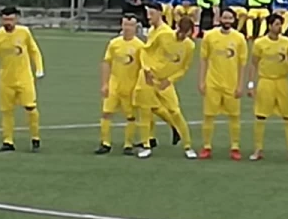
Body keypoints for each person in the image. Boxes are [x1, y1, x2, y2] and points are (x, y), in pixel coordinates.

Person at [0, 6, 44, 153]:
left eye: (10, 19)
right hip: (6, 80)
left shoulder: (24, 32)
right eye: (5, 19)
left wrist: (39, 68)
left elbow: (34, 50)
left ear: (16, 19)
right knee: (6, 111)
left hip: (24, 78)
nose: (7, 22)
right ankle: (7, 141)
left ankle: (35, 138)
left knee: (31, 108)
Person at [135, 8, 195, 159]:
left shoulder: (189, 46)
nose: (181, 36)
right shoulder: (163, 36)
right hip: (148, 78)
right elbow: (145, 51)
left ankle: (188, 146)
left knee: (175, 111)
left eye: (185, 33)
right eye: (180, 32)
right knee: (145, 111)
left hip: (165, 82)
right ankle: (146, 145)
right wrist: (147, 70)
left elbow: (184, 68)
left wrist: (170, 80)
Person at [247, 10, 288, 162]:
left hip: (282, 82)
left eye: (280, 24)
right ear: (269, 26)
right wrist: (251, 84)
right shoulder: (260, 43)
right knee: (261, 116)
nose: (279, 27)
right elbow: (253, 65)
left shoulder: (287, 42)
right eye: (276, 24)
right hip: (266, 82)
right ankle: (258, 150)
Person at [196, 8, 249, 159]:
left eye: (230, 19)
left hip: (231, 85)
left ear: (234, 20)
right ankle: (206, 146)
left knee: (234, 116)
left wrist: (240, 85)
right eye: (224, 18)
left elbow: (242, 64)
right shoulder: (209, 36)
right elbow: (203, 60)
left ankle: (235, 147)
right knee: (208, 116)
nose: (227, 21)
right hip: (213, 83)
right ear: (220, 19)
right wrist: (201, 81)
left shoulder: (239, 38)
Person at [98, 13, 144, 155]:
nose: (127, 28)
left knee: (130, 116)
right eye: (125, 25)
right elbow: (107, 63)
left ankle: (128, 144)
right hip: (114, 84)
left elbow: (143, 68)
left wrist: (140, 87)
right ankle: (105, 143)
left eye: (130, 25)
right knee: (106, 113)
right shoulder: (114, 43)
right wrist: (104, 83)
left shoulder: (140, 46)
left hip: (130, 86)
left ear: (136, 28)